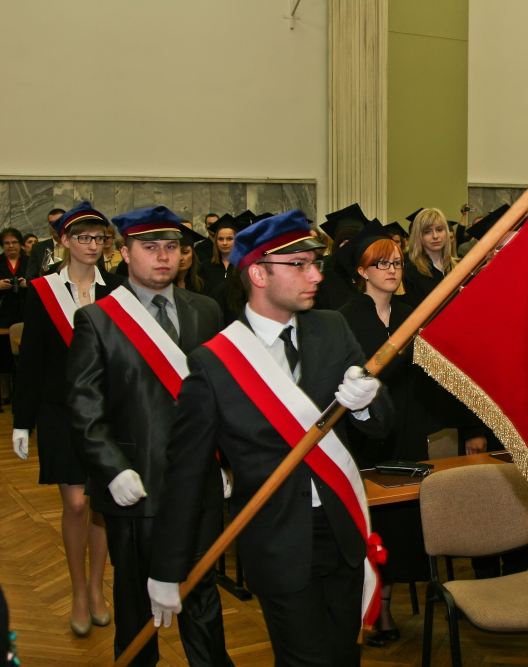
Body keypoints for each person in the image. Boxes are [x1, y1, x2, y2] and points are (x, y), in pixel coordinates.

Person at [146, 210, 394, 667]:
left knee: (344, 657)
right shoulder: (215, 363)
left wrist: (367, 401)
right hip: (277, 540)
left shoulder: (332, 328)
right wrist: (166, 568)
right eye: (299, 265)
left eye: (315, 263)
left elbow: (381, 425)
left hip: (342, 529)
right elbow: (185, 474)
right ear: (258, 274)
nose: (316, 275)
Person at [67, 206, 231, 667]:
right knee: (136, 603)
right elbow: (84, 406)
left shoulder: (206, 310)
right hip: (134, 486)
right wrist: (111, 468)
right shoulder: (98, 319)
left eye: (172, 247)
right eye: (150, 247)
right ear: (124, 253)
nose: (163, 256)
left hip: (197, 483)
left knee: (201, 596)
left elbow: (222, 394)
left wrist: (226, 460)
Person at [336, 221, 488, 647]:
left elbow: (439, 377)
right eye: (381, 264)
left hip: (411, 433)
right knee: (374, 524)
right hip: (365, 439)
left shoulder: (412, 316)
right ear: (362, 271)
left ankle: (396, 599)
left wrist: (471, 426)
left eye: (397, 263)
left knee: (405, 527)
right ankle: (374, 609)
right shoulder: (343, 319)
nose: (392, 270)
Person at [11, 202, 122, 637]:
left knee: (101, 506)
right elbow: (32, 359)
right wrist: (22, 420)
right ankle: (77, 591)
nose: (92, 245)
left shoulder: (118, 290)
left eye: (99, 238)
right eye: (83, 238)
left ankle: (96, 588)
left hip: (108, 414)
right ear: (64, 241)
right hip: (60, 410)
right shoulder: (43, 290)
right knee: (76, 504)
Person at [314, 202, 370, 310]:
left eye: (357, 241)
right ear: (336, 246)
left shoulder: (373, 276)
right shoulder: (324, 281)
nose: (351, 247)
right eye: (345, 242)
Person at [402, 208, 457, 307]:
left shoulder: (459, 266)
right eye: (427, 232)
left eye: (439, 230)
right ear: (419, 236)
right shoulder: (410, 272)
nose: (435, 236)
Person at [199, 213, 242, 294]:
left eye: (229, 239)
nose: (224, 243)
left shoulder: (242, 266)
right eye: (221, 239)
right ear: (216, 241)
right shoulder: (206, 267)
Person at [26, 208, 67, 281]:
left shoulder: (76, 246)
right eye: (51, 223)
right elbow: (30, 277)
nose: (54, 226)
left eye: (58, 222)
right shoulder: (38, 248)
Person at [176, 227, 206, 294]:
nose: (180, 258)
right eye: (176, 253)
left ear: (193, 255)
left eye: (185, 252)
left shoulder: (202, 286)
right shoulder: (163, 287)